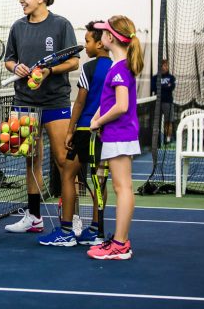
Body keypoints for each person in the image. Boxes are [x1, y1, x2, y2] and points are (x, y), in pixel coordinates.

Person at [2, 0, 79, 236]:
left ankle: (73, 218)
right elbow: (9, 60)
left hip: (55, 102)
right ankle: (34, 217)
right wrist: (17, 67)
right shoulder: (17, 27)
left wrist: (49, 71)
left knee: (63, 161)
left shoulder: (61, 25)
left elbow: (74, 62)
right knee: (30, 159)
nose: (21, 0)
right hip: (24, 102)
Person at [87, 15, 144, 260]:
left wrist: (99, 121)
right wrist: (97, 117)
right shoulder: (118, 66)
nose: (100, 36)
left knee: (123, 188)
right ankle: (120, 241)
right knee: (122, 187)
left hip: (120, 135)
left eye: (103, 32)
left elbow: (121, 106)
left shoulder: (120, 69)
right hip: (115, 134)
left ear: (111, 37)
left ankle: (120, 244)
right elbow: (108, 101)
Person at [53, 21, 112, 246]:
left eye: (88, 41)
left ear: (100, 43)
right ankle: (96, 232)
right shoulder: (117, 68)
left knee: (68, 175)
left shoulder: (89, 68)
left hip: (85, 130)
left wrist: (70, 131)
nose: (84, 46)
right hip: (106, 133)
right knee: (100, 181)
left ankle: (66, 232)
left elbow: (79, 102)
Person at [151, 59, 176, 144]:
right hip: (157, 103)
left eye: (166, 65)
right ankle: (156, 141)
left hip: (168, 102)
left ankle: (168, 138)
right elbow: (153, 88)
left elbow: (171, 87)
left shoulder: (171, 78)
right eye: (162, 65)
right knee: (156, 122)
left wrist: (161, 87)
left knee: (168, 121)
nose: (164, 67)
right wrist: (165, 86)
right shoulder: (155, 77)